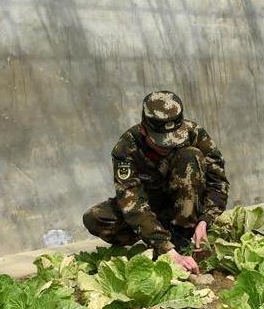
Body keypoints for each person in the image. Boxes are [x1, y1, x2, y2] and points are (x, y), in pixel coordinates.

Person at [83, 90, 230, 273]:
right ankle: (160, 240)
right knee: (95, 218)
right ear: (144, 130)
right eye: (160, 142)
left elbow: (218, 183)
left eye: (174, 139)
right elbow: (133, 204)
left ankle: (184, 240)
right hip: (149, 208)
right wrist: (166, 249)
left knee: (190, 156)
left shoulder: (195, 134)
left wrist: (205, 221)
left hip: (186, 207)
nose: (168, 146)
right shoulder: (126, 147)